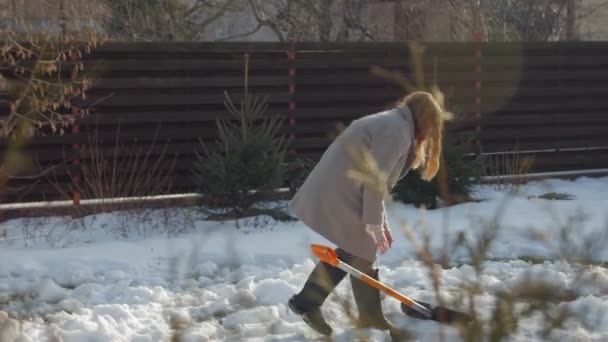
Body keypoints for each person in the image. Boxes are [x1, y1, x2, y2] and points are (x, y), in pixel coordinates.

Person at [287, 90, 447, 339]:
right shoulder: (396, 132)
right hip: (340, 190)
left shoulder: (395, 124)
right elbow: (373, 180)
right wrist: (373, 223)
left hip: (341, 188)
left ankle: (310, 303)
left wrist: (379, 223)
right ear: (425, 120)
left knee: (358, 250)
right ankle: (367, 318)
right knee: (361, 249)